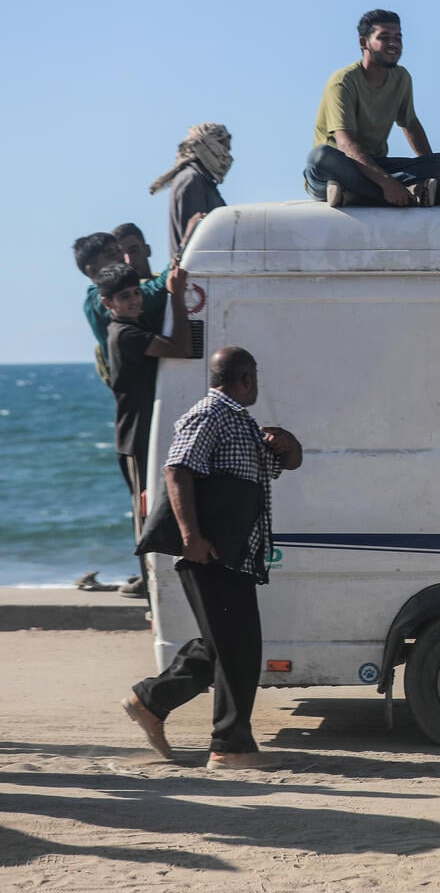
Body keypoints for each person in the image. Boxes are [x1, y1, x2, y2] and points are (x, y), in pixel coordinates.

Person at [121, 346, 304, 770]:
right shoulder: (209, 415)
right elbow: (177, 470)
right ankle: (230, 746)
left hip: (236, 555)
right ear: (245, 378)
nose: (256, 384)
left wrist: (289, 444)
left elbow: (286, 465)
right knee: (238, 649)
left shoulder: (242, 424)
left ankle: (150, 700)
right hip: (210, 554)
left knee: (225, 645)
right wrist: (191, 537)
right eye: (253, 376)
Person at [303, 9, 440, 208]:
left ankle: (354, 195)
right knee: (320, 156)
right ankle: (402, 193)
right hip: (340, 167)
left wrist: (430, 165)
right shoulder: (343, 82)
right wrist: (387, 183)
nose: (393, 44)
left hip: (375, 165)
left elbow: (410, 124)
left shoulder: (402, 78)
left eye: (397, 38)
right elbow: (346, 145)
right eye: (384, 38)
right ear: (363, 42)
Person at [99, 262, 193, 532]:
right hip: (135, 438)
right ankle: (149, 573)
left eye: (136, 293)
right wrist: (176, 295)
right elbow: (182, 348)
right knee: (146, 510)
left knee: (154, 505)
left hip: (145, 432)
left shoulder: (135, 326)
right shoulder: (126, 334)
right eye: (124, 296)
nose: (133, 301)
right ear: (108, 302)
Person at [74, 231, 170, 384]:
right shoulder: (98, 300)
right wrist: (181, 253)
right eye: (111, 255)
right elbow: (155, 293)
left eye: (120, 251)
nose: (122, 258)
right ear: (91, 270)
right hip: (135, 391)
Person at [148, 123, 232, 259]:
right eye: (223, 147)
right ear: (207, 145)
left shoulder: (204, 182)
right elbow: (195, 242)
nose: (227, 154)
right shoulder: (191, 181)